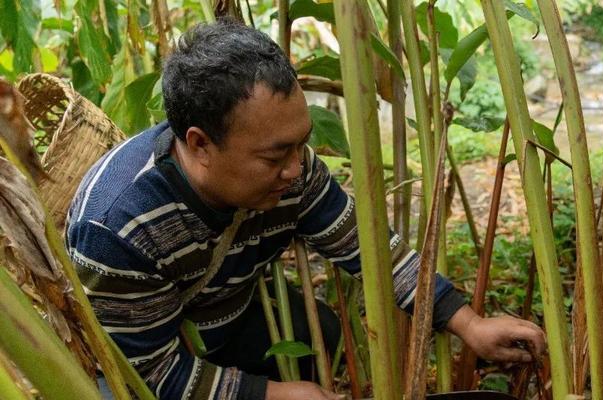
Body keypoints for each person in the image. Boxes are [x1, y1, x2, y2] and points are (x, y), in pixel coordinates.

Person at [66, 19, 546, 400]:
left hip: (226, 315)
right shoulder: (117, 228)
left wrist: (468, 323)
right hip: (134, 359)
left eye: (303, 145)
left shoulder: (289, 168)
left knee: (322, 335)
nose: (297, 170)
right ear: (200, 144)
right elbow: (154, 374)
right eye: (276, 156)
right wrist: (271, 394)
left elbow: (364, 246)